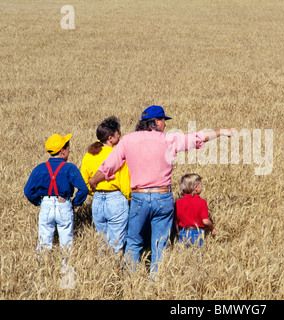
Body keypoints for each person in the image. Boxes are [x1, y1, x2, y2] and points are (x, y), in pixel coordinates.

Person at [88, 105, 235, 276]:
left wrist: (93, 181)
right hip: (163, 197)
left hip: (139, 197)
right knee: (160, 243)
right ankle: (156, 281)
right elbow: (198, 137)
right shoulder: (169, 139)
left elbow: (108, 165)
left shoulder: (128, 140)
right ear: (156, 122)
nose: (165, 125)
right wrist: (223, 131)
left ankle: (131, 280)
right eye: (164, 121)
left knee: (134, 241)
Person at [24, 133, 88, 260]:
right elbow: (83, 189)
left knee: (43, 241)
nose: (69, 151)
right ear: (63, 151)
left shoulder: (40, 168)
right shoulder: (70, 168)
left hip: (46, 205)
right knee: (66, 243)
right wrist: (76, 202)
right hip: (64, 204)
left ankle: (41, 271)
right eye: (68, 148)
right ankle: (67, 272)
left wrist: (39, 202)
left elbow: (28, 191)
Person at [80, 116, 131, 255]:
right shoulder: (118, 154)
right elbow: (125, 183)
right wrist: (130, 199)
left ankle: (103, 272)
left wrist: (93, 191)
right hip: (116, 200)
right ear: (110, 138)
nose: (120, 135)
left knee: (102, 243)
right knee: (116, 244)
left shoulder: (89, 154)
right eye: (118, 133)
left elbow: (83, 181)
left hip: (97, 201)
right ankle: (115, 274)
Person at [175, 173, 216, 248]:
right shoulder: (202, 202)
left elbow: (176, 222)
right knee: (197, 256)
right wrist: (213, 228)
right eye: (201, 185)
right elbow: (205, 221)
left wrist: (178, 232)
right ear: (196, 187)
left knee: (183, 257)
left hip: (183, 232)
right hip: (197, 233)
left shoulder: (178, 202)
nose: (202, 187)